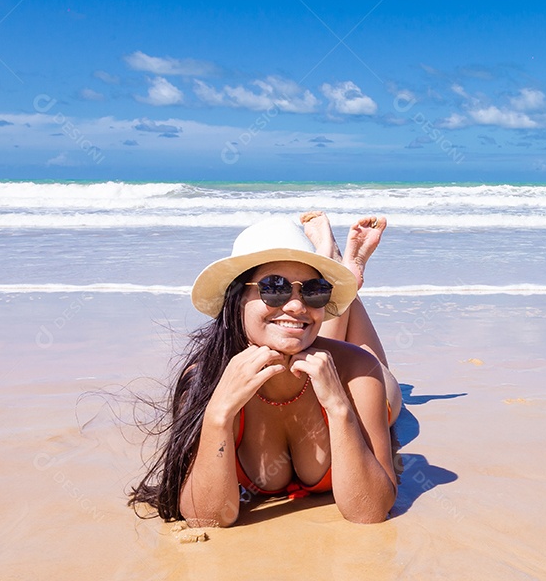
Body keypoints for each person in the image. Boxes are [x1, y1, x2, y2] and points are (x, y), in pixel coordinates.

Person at [129, 212, 400, 525]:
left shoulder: (358, 370)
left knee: (368, 366)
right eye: (274, 287)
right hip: (309, 343)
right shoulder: (205, 378)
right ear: (236, 298)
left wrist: (339, 408)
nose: (297, 304)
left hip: (364, 383)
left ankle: (344, 272)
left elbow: (370, 512)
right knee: (304, 330)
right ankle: (335, 265)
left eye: (315, 290)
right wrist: (218, 414)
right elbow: (207, 519)